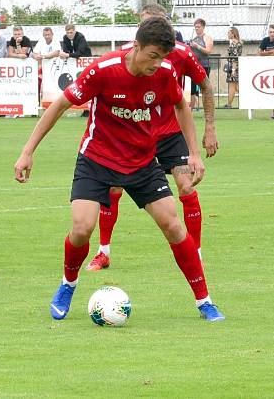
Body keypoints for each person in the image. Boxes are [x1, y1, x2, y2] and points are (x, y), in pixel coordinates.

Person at [14, 17, 224, 322]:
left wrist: (194, 153)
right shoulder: (103, 70)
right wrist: (27, 152)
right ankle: (67, 285)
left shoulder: (164, 74)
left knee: (174, 226)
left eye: (162, 57)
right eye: (152, 56)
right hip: (97, 160)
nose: (157, 64)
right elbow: (59, 105)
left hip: (141, 162)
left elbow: (181, 105)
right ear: (136, 46)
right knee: (82, 228)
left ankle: (205, 302)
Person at [86, 3, 218, 273]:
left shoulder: (181, 53)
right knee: (113, 189)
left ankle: (197, 252)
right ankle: (103, 252)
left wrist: (210, 128)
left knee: (187, 185)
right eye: (144, 23)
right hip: (134, 134)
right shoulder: (127, 53)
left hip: (169, 135)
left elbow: (204, 84)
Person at [259, 24, 274, 119]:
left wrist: (266, 53)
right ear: (268, 32)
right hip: (269, 69)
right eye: (270, 32)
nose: (272, 33)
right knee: (273, 92)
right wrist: (271, 52)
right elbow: (259, 53)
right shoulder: (265, 40)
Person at [188, 18, 213, 111]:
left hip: (204, 66)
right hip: (194, 66)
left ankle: (207, 110)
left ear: (203, 27)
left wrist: (197, 46)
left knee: (205, 89)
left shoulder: (207, 37)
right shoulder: (194, 39)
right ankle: (189, 111)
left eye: (198, 27)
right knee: (192, 90)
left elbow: (208, 51)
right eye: (195, 27)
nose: (196, 29)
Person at [225, 26, 242, 109]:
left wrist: (233, 70)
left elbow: (235, 58)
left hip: (234, 67)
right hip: (236, 67)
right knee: (236, 86)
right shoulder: (238, 43)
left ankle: (229, 104)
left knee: (232, 86)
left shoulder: (234, 44)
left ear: (233, 33)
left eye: (229, 32)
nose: (227, 34)